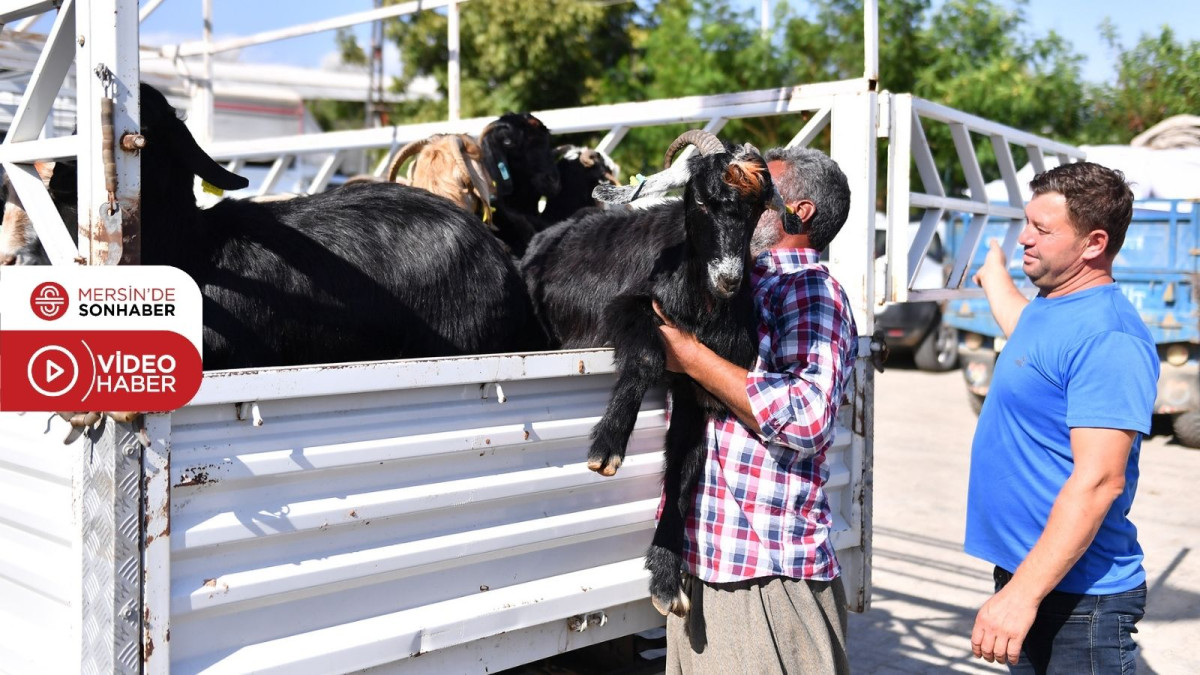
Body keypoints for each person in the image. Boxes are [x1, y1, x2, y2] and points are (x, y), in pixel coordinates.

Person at [653, 146, 857, 674]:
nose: (741, 199)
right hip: (710, 563)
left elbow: (808, 416)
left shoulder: (811, 290)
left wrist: (691, 356)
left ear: (799, 211)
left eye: (759, 192)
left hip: (769, 575)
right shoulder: (743, 281)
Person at [965, 161, 1157, 672]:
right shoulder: (1054, 305)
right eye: (1027, 222)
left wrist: (1019, 598)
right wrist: (993, 274)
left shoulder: (1108, 337)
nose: (1025, 237)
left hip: (1078, 604)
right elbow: (1025, 333)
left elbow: (1099, 482)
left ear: (1093, 243)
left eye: (1042, 230)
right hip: (1035, 577)